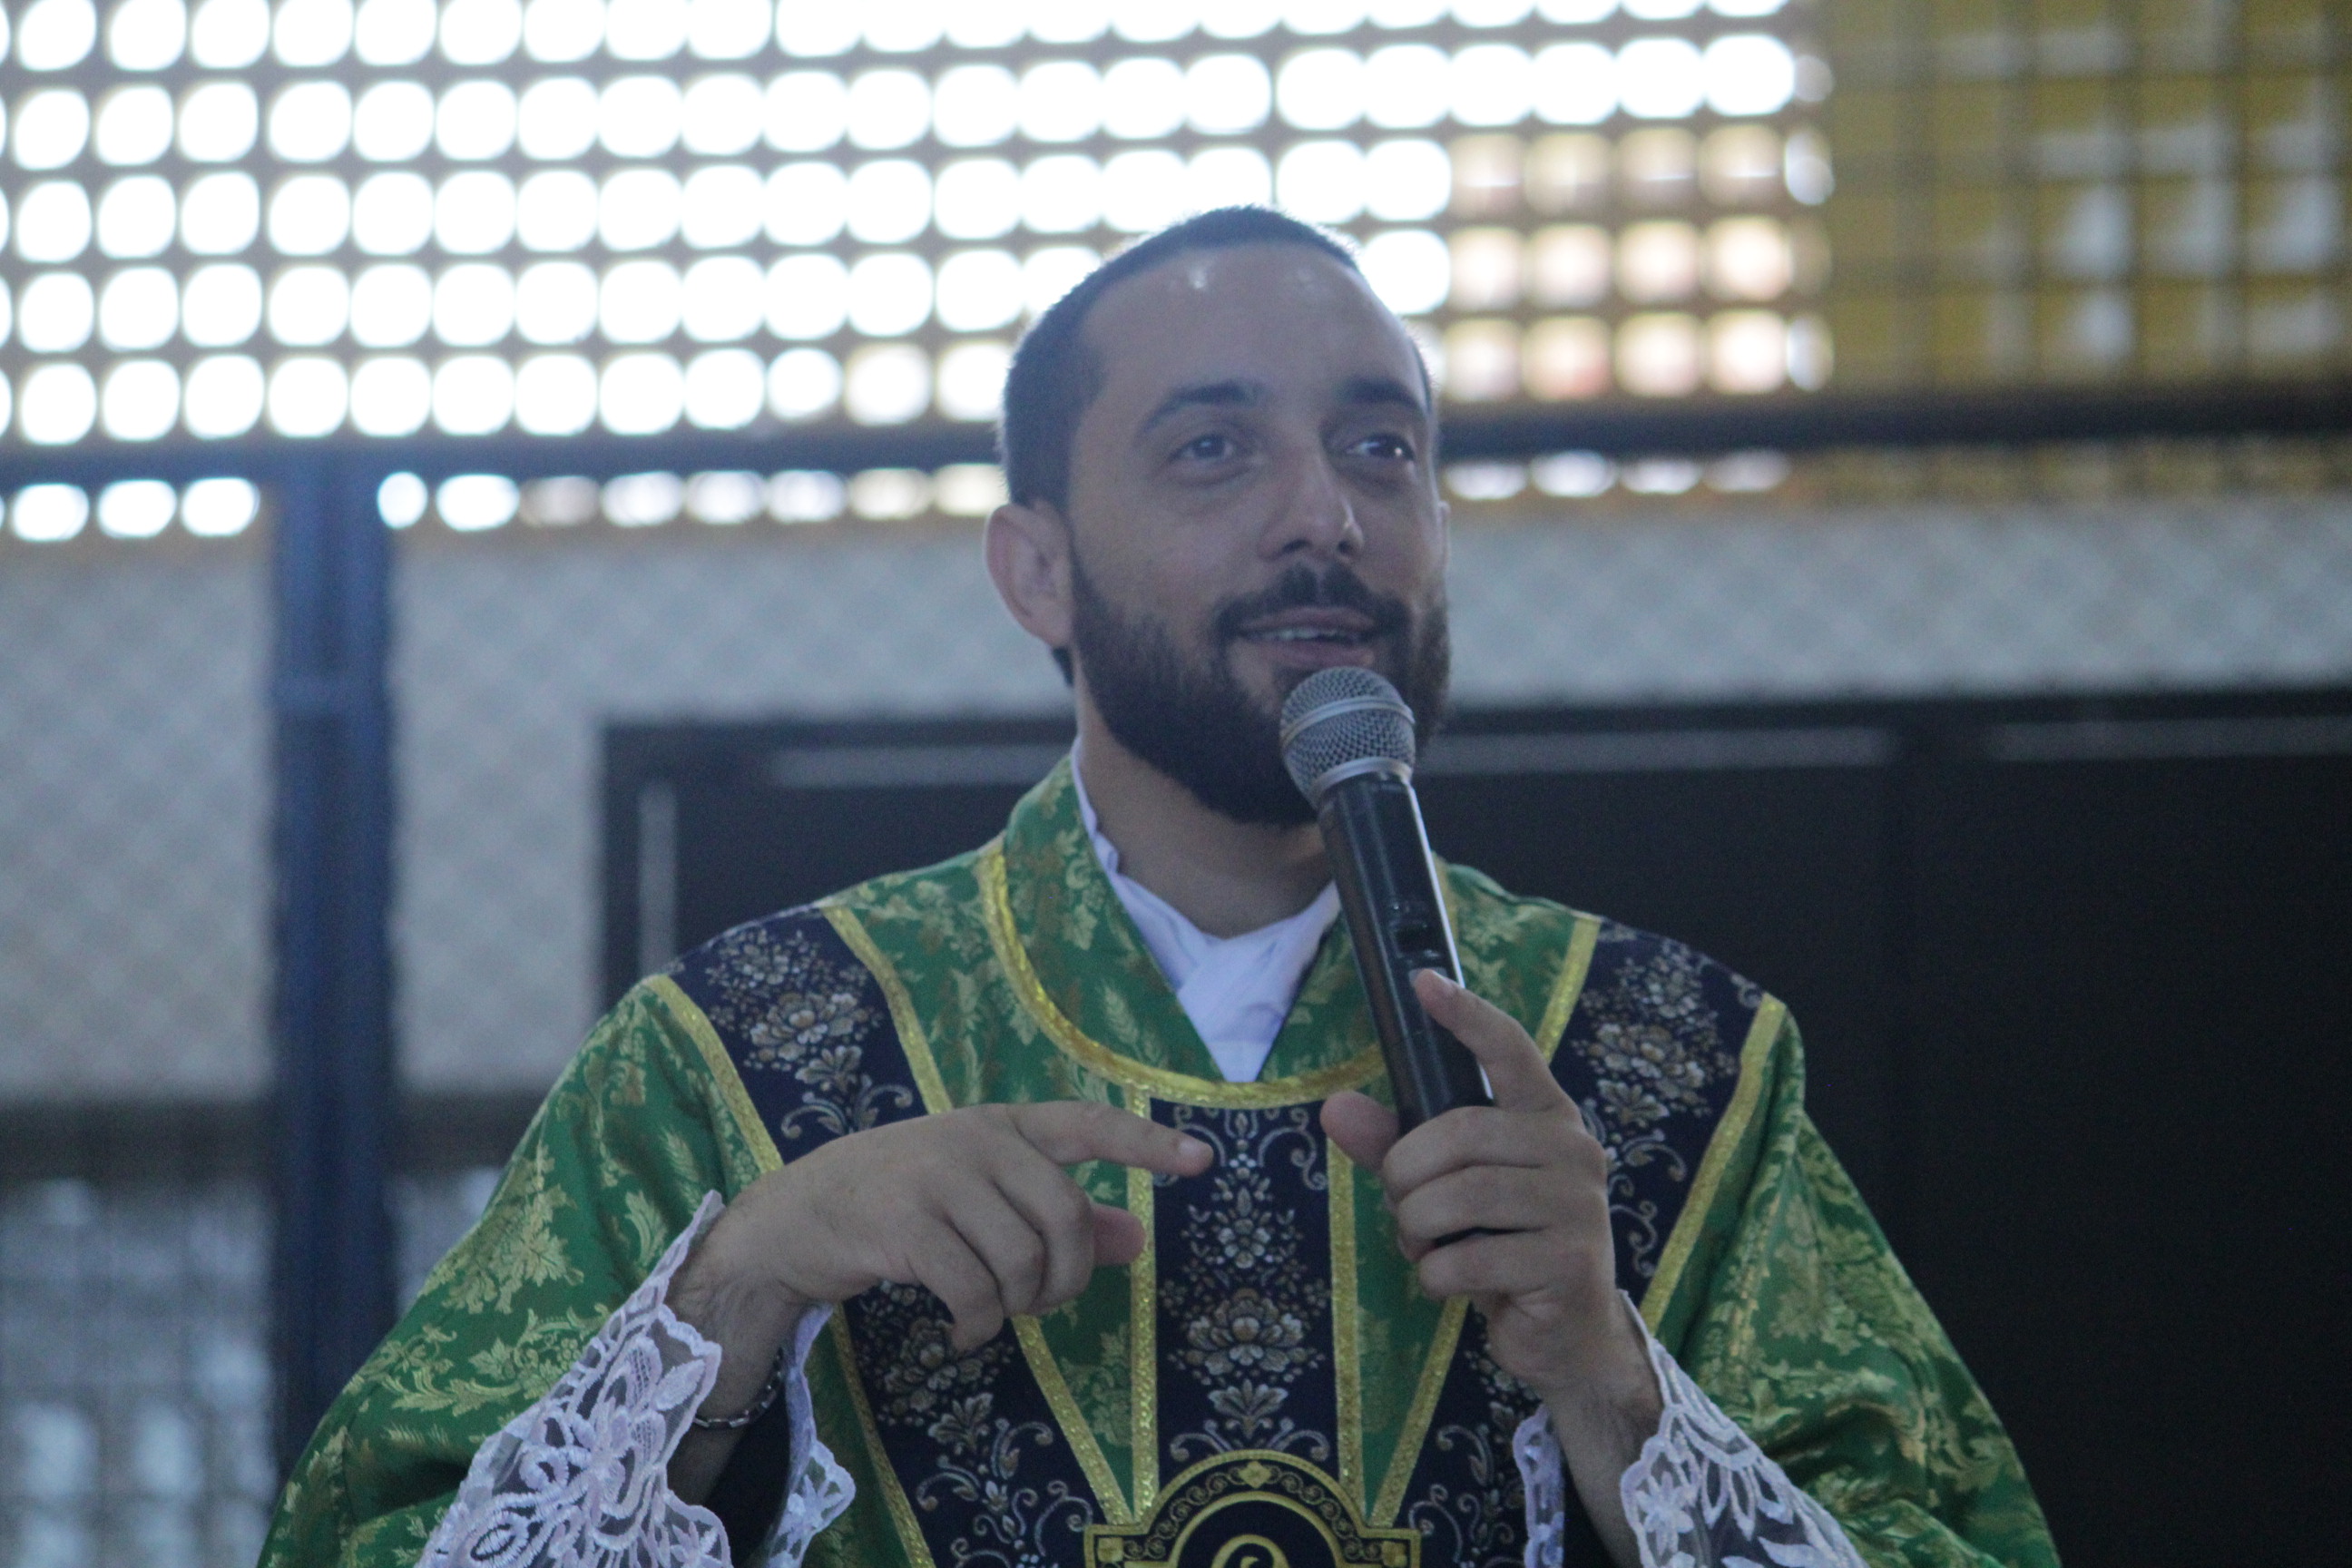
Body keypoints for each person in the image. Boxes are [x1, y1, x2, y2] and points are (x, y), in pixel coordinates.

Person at [260, 209, 2055, 1568]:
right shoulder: (742, 1059)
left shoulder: (1670, 1063)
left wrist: (1608, 1376)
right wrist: (745, 1280)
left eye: (1381, 448)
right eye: (1214, 450)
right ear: (1035, 571)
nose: (1325, 515)